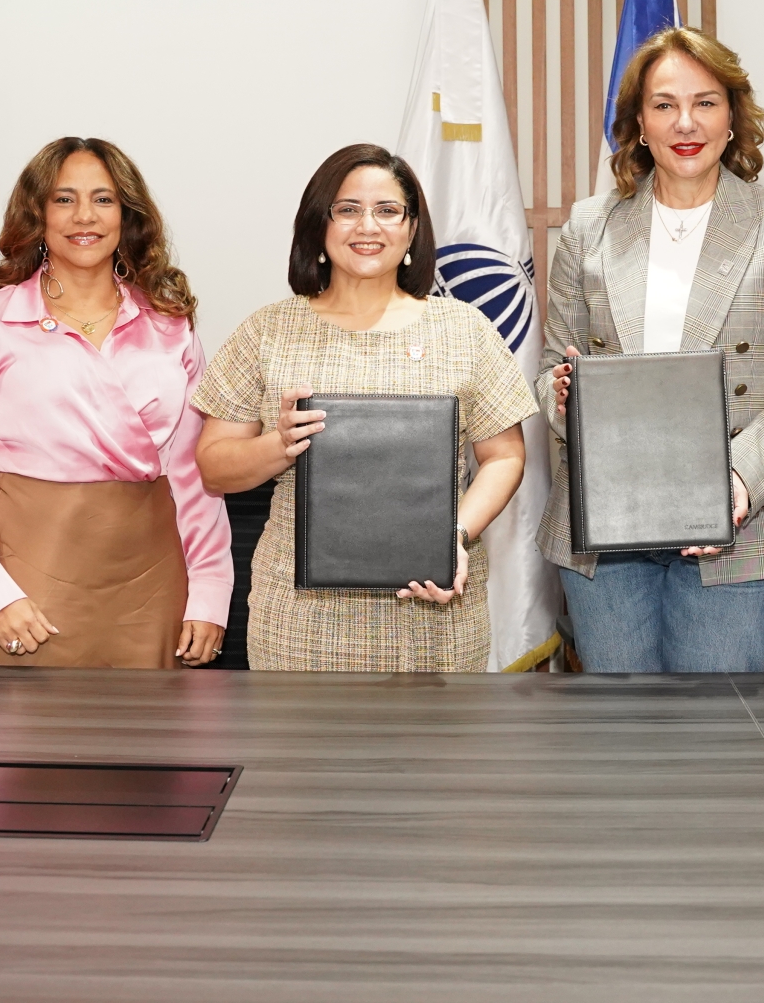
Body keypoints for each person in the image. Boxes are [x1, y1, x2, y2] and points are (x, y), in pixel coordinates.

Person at [535, 25, 764, 672]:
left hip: (739, 528)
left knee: (716, 724)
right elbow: (550, 369)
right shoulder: (589, 227)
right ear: (639, 124)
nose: (685, 122)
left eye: (705, 102)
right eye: (664, 104)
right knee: (620, 725)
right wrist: (563, 399)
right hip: (606, 530)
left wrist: (735, 479)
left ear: (732, 117)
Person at [194, 144, 534, 673]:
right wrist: (279, 444)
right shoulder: (268, 331)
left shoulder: (465, 330)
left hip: (435, 614)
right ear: (320, 225)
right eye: (348, 209)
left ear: (412, 229)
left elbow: (505, 456)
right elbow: (214, 466)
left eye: (388, 210)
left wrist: (453, 539)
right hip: (298, 623)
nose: (368, 226)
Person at [0, 138, 230, 668]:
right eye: (64, 199)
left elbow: (193, 473)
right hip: (27, 581)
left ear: (127, 215)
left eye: (103, 199)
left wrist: (209, 589)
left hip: (153, 582)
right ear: (38, 214)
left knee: (151, 723)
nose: (84, 216)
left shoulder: (169, 324)